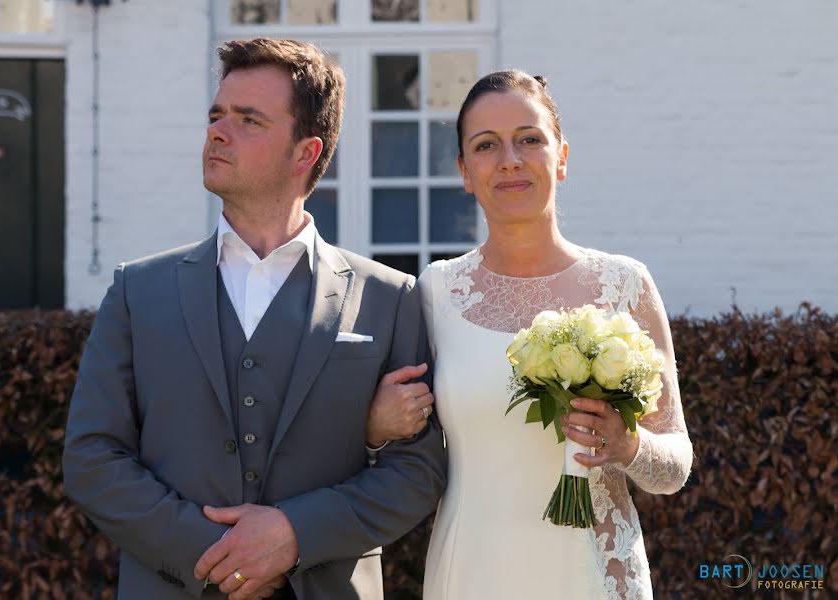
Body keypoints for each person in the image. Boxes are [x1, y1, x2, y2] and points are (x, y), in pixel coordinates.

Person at [62, 38, 445, 600]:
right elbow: (92, 456)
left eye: (248, 120)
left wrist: (294, 535)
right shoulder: (137, 291)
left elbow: (417, 472)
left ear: (304, 153)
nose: (217, 131)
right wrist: (211, 553)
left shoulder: (389, 297)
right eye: (217, 115)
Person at [366, 70, 694, 599]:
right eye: (486, 146)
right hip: (473, 572)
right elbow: (403, 444)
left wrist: (627, 444)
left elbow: (675, 464)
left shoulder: (625, 284)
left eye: (530, 140)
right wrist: (375, 424)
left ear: (561, 157)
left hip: (595, 577)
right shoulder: (436, 292)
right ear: (464, 172)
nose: (510, 160)